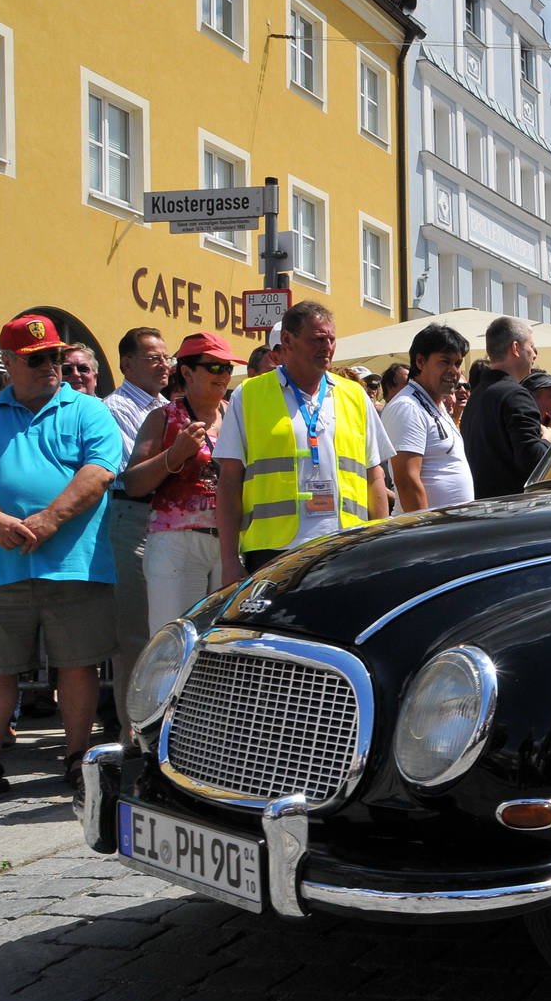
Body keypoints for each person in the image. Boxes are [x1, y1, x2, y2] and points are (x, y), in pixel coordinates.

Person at [0, 316, 123, 804]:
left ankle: (75, 756)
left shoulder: (88, 409)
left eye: (54, 356)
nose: (51, 366)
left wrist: (50, 518)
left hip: (75, 561)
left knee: (77, 664)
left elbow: (99, 471)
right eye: (37, 359)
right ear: (7, 364)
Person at [215, 302, 394, 584]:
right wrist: (228, 560)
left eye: (331, 339)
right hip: (273, 551)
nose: (327, 347)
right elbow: (228, 482)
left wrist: (379, 549)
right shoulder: (248, 395)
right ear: (287, 340)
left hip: (346, 547)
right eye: (317, 340)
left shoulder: (355, 396)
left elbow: (375, 477)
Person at [122, 333, 241, 633]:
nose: (224, 375)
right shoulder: (163, 417)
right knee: (175, 643)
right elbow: (133, 483)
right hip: (178, 542)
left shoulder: (236, 415)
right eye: (214, 367)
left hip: (230, 542)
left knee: (220, 648)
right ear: (187, 372)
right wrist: (175, 455)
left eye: (227, 368)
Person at [100, 327, 169, 720]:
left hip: (170, 521)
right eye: (153, 358)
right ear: (127, 364)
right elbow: (134, 473)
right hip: (135, 517)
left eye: (166, 358)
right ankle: (131, 729)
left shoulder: (169, 407)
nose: (163, 365)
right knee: (137, 634)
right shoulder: (116, 409)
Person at [383, 324, 474, 512]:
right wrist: (427, 533)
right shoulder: (407, 407)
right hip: (428, 534)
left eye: (457, 364)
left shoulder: (436, 405)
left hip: (448, 531)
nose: (453, 370)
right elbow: (407, 482)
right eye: (444, 361)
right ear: (420, 361)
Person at [462, 317, 551, 498]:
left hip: (481, 507)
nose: (535, 354)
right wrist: (548, 439)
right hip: (513, 509)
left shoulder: (476, 396)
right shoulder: (516, 396)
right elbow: (533, 460)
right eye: (531, 346)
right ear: (515, 348)